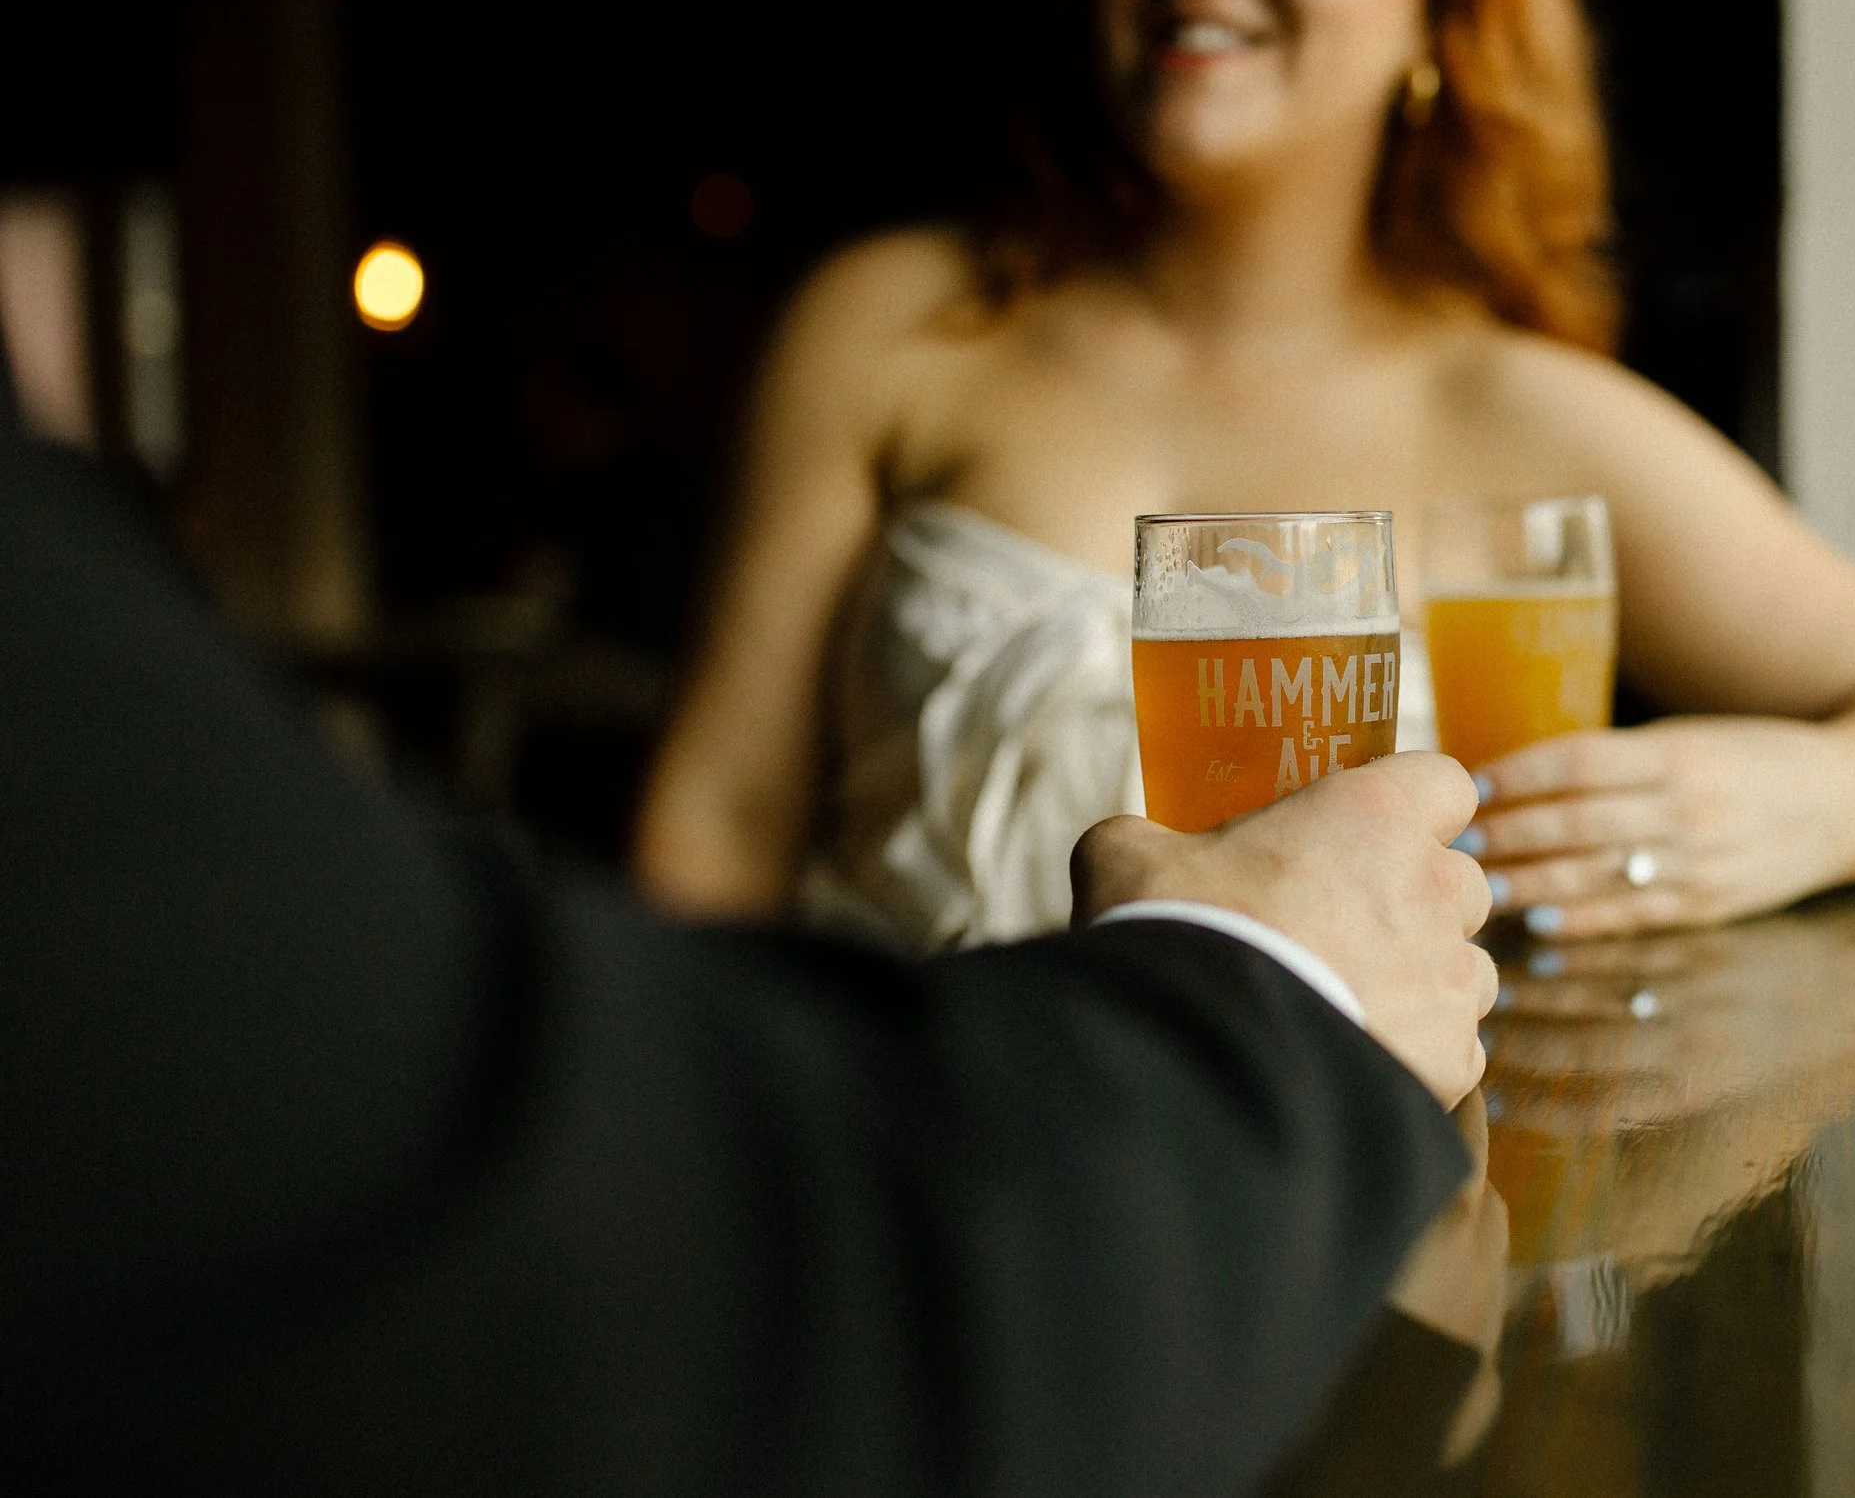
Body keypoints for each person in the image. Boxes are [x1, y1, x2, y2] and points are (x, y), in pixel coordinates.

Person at [0, 387, 1502, 1495]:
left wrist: (1749, 787)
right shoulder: (904, 326)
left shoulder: (1490, 381)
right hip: (976, 1180)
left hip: (1245, 1183)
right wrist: (1265, 989)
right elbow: (700, 849)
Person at [636, 0, 1855, 951]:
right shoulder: (896, 325)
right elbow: (713, 833)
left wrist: (1786, 806)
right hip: (908, 1182)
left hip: (1352, 1213)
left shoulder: (1522, 414)